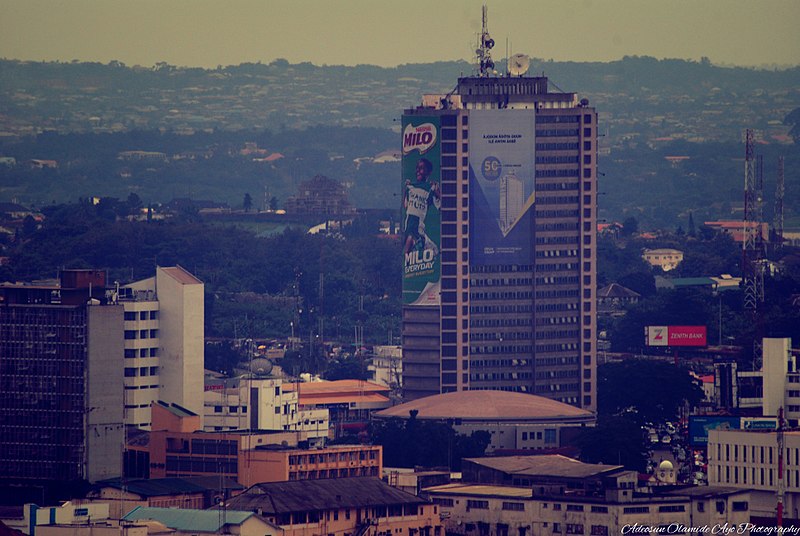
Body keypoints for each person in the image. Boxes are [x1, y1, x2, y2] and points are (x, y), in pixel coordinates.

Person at [403, 157, 440, 255]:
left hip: (420, 230)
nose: (418, 171)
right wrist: (405, 190)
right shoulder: (410, 187)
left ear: (428, 172)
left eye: (422, 168)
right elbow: (405, 205)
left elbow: (441, 206)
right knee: (409, 247)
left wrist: (437, 192)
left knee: (435, 251)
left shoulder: (430, 189)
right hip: (411, 227)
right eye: (417, 168)